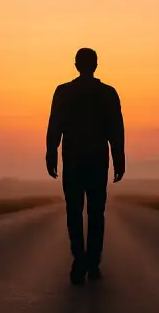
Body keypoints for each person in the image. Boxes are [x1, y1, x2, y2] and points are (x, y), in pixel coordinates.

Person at [46, 48, 125, 285]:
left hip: (73, 160)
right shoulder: (108, 93)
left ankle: (80, 260)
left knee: (74, 212)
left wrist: (51, 153)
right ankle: (92, 262)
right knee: (96, 213)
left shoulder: (64, 92)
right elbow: (116, 129)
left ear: (76, 65)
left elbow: (54, 126)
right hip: (97, 161)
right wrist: (119, 158)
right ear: (96, 65)